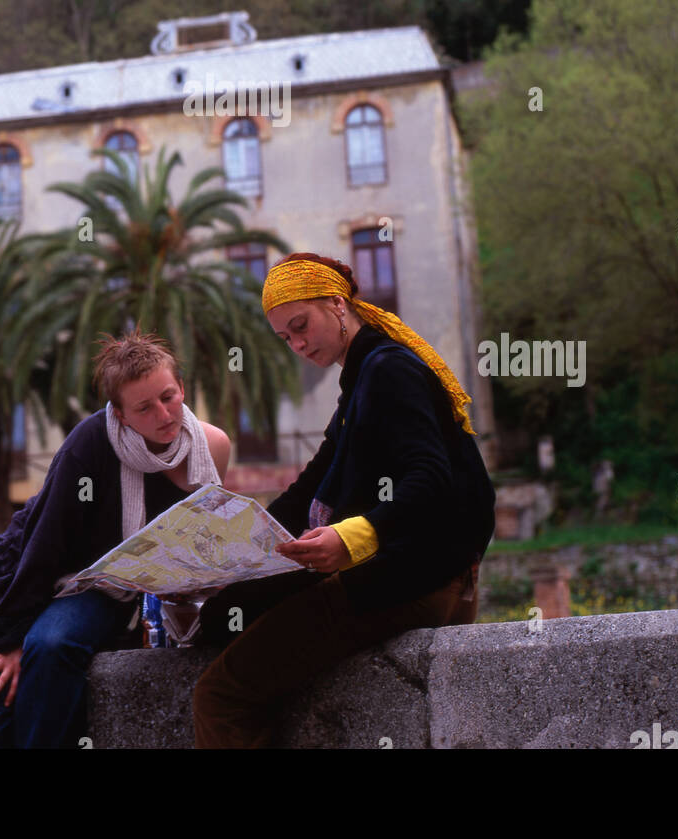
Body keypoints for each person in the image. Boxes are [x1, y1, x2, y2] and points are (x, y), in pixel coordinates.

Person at [192, 252, 496, 748]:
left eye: (301, 325)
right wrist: (229, 553)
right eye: (285, 338)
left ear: (337, 304)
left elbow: (431, 479)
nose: (298, 344)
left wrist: (353, 537)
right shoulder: (361, 377)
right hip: (411, 572)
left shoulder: (388, 371)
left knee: (220, 694)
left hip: (416, 579)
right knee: (227, 612)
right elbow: (311, 484)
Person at [0, 331, 230, 748]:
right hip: (13, 578)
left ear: (182, 388)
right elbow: (44, 545)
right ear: (119, 415)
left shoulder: (212, 447)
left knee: (52, 645)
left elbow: (193, 540)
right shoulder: (89, 445)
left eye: (168, 397)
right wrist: (12, 641)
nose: (164, 414)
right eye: (144, 407)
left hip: (100, 586)